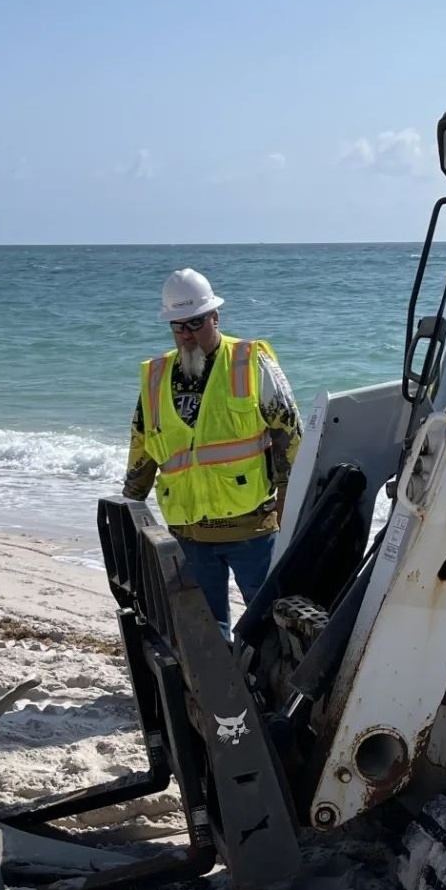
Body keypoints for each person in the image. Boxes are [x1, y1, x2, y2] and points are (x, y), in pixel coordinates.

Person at [121, 268, 301, 632]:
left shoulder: (249, 361)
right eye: (179, 326)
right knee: (205, 628)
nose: (188, 335)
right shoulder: (156, 376)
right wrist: (131, 506)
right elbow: (142, 445)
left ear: (215, 317)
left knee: (267, 624)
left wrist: (288, 507)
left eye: (196, 323)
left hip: (251, 527)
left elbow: (289, 435)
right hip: (188, 531)